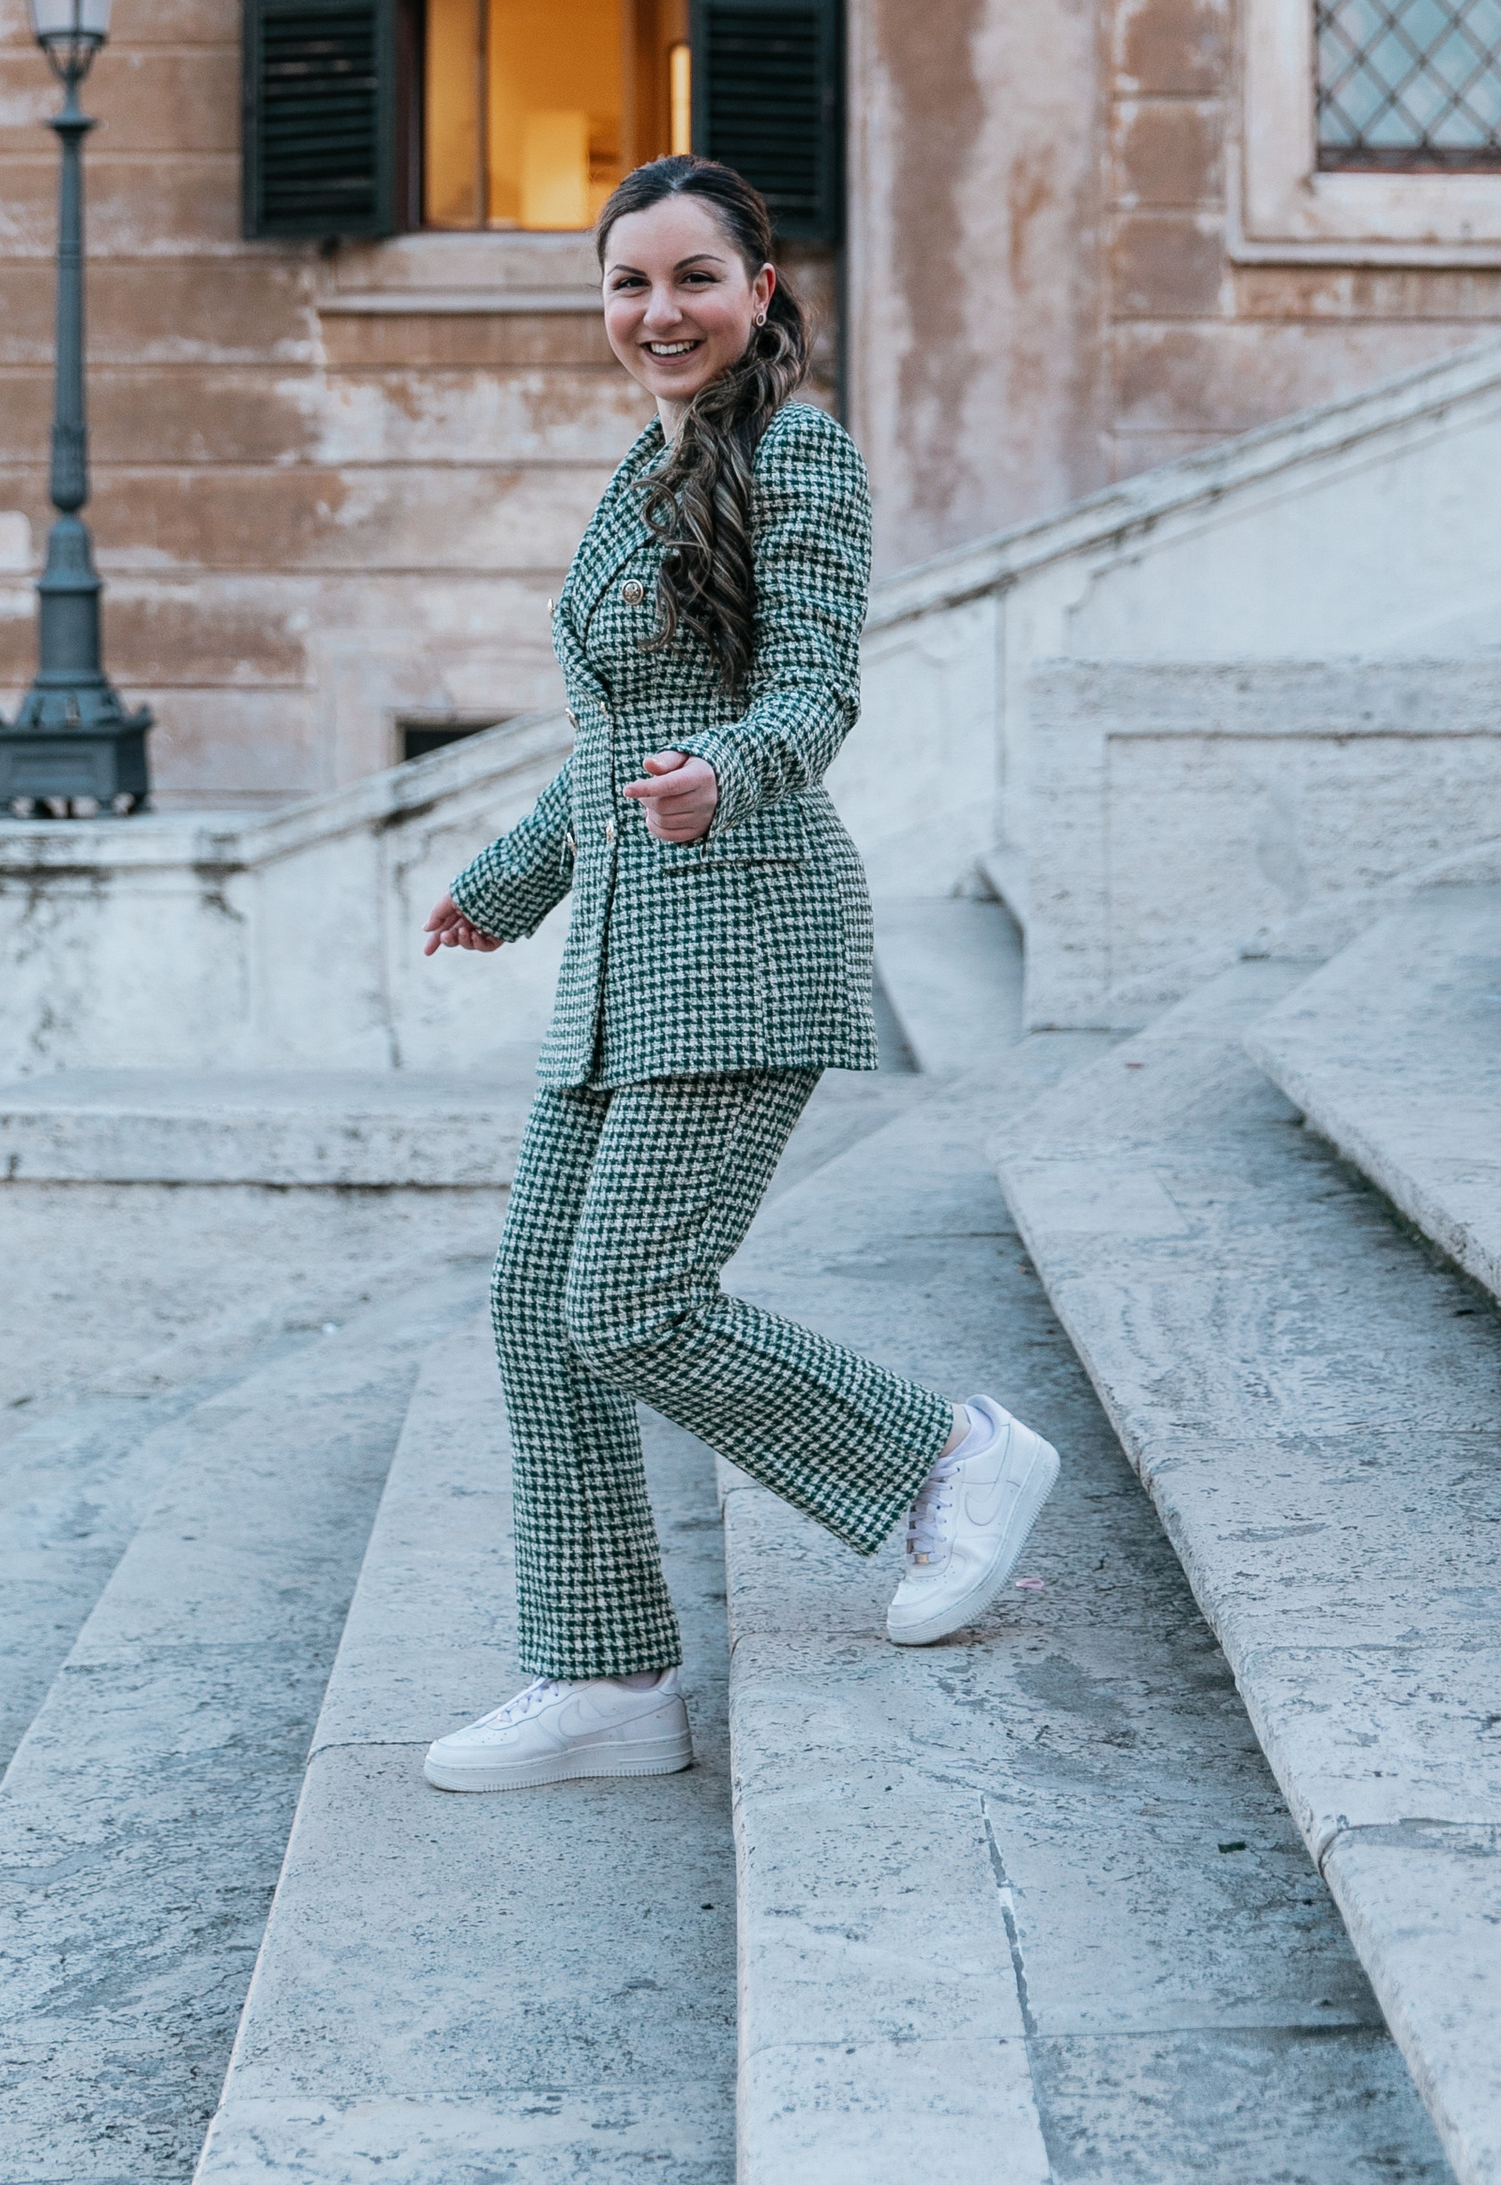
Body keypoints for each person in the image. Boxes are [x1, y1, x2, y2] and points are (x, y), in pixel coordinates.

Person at [418, 151, 1058, 1793]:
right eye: (629, 282)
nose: (660, 311)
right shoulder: (643, 475)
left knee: (630, 1301)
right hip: (622, 961)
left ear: (759, 291)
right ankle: (605, 1677)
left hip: (746, 938)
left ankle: (948, 1463)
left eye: (694, 277)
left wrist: (729, 771)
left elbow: (816, 688)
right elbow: (610, 741)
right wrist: (505, 884)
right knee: (538, 1316)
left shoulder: (802, 455)